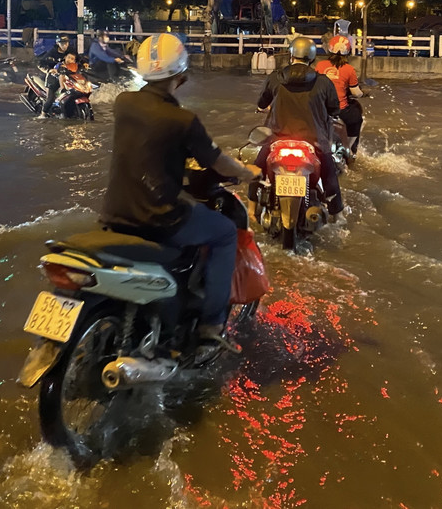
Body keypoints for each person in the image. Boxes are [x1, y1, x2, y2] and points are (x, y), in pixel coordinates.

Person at [100, 33, 260, 352]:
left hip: (114, 213)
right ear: (181, 77)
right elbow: (219, 163)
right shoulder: (182, 120)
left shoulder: (123, 103)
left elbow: (150, 151)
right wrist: (246, 171)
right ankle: (212, 324)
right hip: (157, 218)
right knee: (225, 233)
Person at [252, 36, 343, 218]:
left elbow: (262, 102)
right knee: (329, 172)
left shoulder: (275, 78)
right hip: (314, 139)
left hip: (277, 139)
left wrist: (263, 107)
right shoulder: (324, 82)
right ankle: (337, 214)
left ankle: (251, 211)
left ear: (291, 55)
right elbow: (334, 109)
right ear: (311, 58)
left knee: (256, 170)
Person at [315, 34, 366, 156]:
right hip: (340, 110)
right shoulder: (349, 69)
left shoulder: (320, 65)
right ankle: (351, 150)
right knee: (356, 119)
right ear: (347, 51)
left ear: (330, 49)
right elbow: (356, 92)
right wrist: (363, 94)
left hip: (319, 109)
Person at [37, 34, 79, 118]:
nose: (65, 46)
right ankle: (43, 114)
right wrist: (49, 70)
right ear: (58, 43)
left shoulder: (70, 50)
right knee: (50, 99)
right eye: (62, 44)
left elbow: (78, 59)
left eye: (66, 43)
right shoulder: (52, 53)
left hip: (66, 76)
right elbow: (40, 64)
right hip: (52, 77)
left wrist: (84, 63)